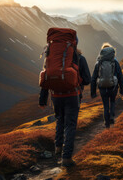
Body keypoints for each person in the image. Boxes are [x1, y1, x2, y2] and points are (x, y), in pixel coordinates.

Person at [39, 34, 91, 168]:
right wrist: (76, 81)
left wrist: (42, 99)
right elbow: (87, 79)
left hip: (56, 96)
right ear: (75, 44)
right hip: (72, 95)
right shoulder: (80, 58)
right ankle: (66, 158)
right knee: (70, 125)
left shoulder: (50, 58)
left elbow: (46, 78)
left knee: (59, 121)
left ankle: (58, 149)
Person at [91, 43, 123, 128]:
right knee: (112, 101)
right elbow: (120, 76)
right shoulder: (115, 62)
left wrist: (93, 92)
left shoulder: (99, 62)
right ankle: (112, 116)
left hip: (102, 87)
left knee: (105, 105)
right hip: (113, 87)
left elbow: (94, 77)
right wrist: (122, 89)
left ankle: (106, 123)